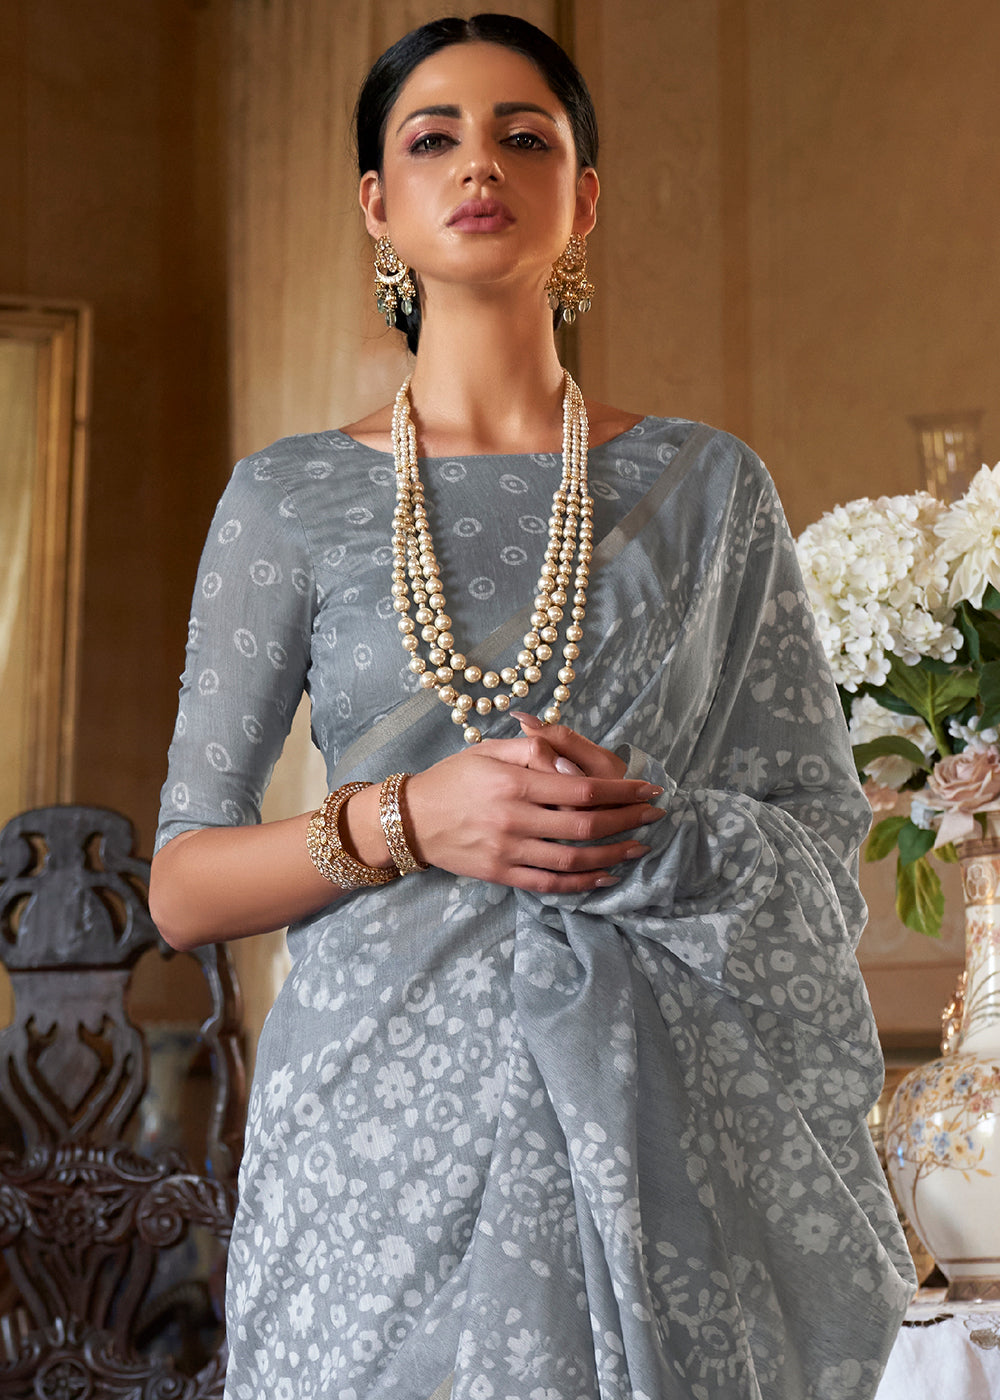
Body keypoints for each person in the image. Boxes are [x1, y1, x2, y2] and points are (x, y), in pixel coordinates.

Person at [150, 14, 915, 1399]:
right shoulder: (290, 498)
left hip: (652, 1122)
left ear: (585, 198)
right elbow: (185, 884)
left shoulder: (707, 487)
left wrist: (650, 832)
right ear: (377, 203)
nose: (478, 164)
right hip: (372, 1150)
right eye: (431, 138)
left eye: (525, 135)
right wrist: (411, 819)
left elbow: (817, 837)